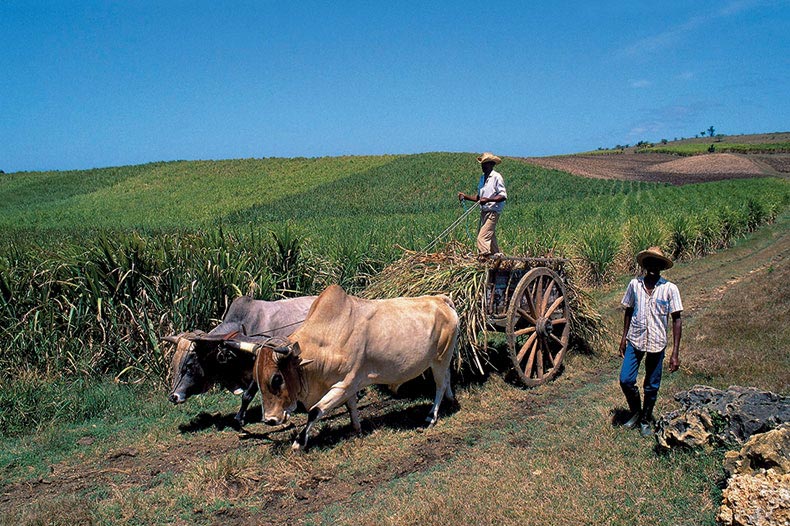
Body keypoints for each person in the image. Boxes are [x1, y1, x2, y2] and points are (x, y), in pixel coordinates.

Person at [618, 246, 683, 437]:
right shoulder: (634, 285)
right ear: (645, 265)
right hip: (635, 339)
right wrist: (623, 338)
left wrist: (675, 353)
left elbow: (676, 319)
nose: (653, 266)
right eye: (650, 262)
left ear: (661, 267)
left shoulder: (669, 289)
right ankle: (636, 411)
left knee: (651, 385)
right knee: (625, 379)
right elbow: (629, 310)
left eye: (657, 263)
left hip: (657, 343)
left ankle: (646, 418)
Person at [457, 152, 508, 259]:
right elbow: (479, 198)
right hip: (484, 211)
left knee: (482, 238)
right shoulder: (482, 178)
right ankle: (497, 257)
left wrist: (488, 199)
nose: (483, 166)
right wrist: (465, 196)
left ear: (491, 164)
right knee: (490, 236)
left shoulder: (496, 177)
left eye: (485, 164)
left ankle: (485, 258)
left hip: (493, 211)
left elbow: (503, 196)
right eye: (482, 164)